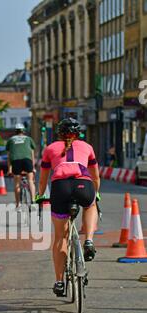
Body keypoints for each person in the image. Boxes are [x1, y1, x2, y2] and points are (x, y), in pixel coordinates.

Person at [36, 118, 100, 297]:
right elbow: (95, 176)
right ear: (78, 133)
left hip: (60, 188)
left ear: (59, 133)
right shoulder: (87, 147)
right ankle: (88, 239)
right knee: (91, 205)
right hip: (83, 185)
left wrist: (40, 195)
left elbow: (43, 179)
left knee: (60, 238)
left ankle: (59, 282)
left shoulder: (50, 149)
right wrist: (96, 192)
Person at [6, 123, 36, 211]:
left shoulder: (11, 140)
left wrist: (9, 169)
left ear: (15, 131)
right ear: (24, 131)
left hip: (16, 161)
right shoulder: (28, 139)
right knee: (30, 180)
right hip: (27, 160)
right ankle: (33, 201)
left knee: (17, 184)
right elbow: (32, 154)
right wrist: (33, 167)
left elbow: (9, 156)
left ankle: (18, 205)